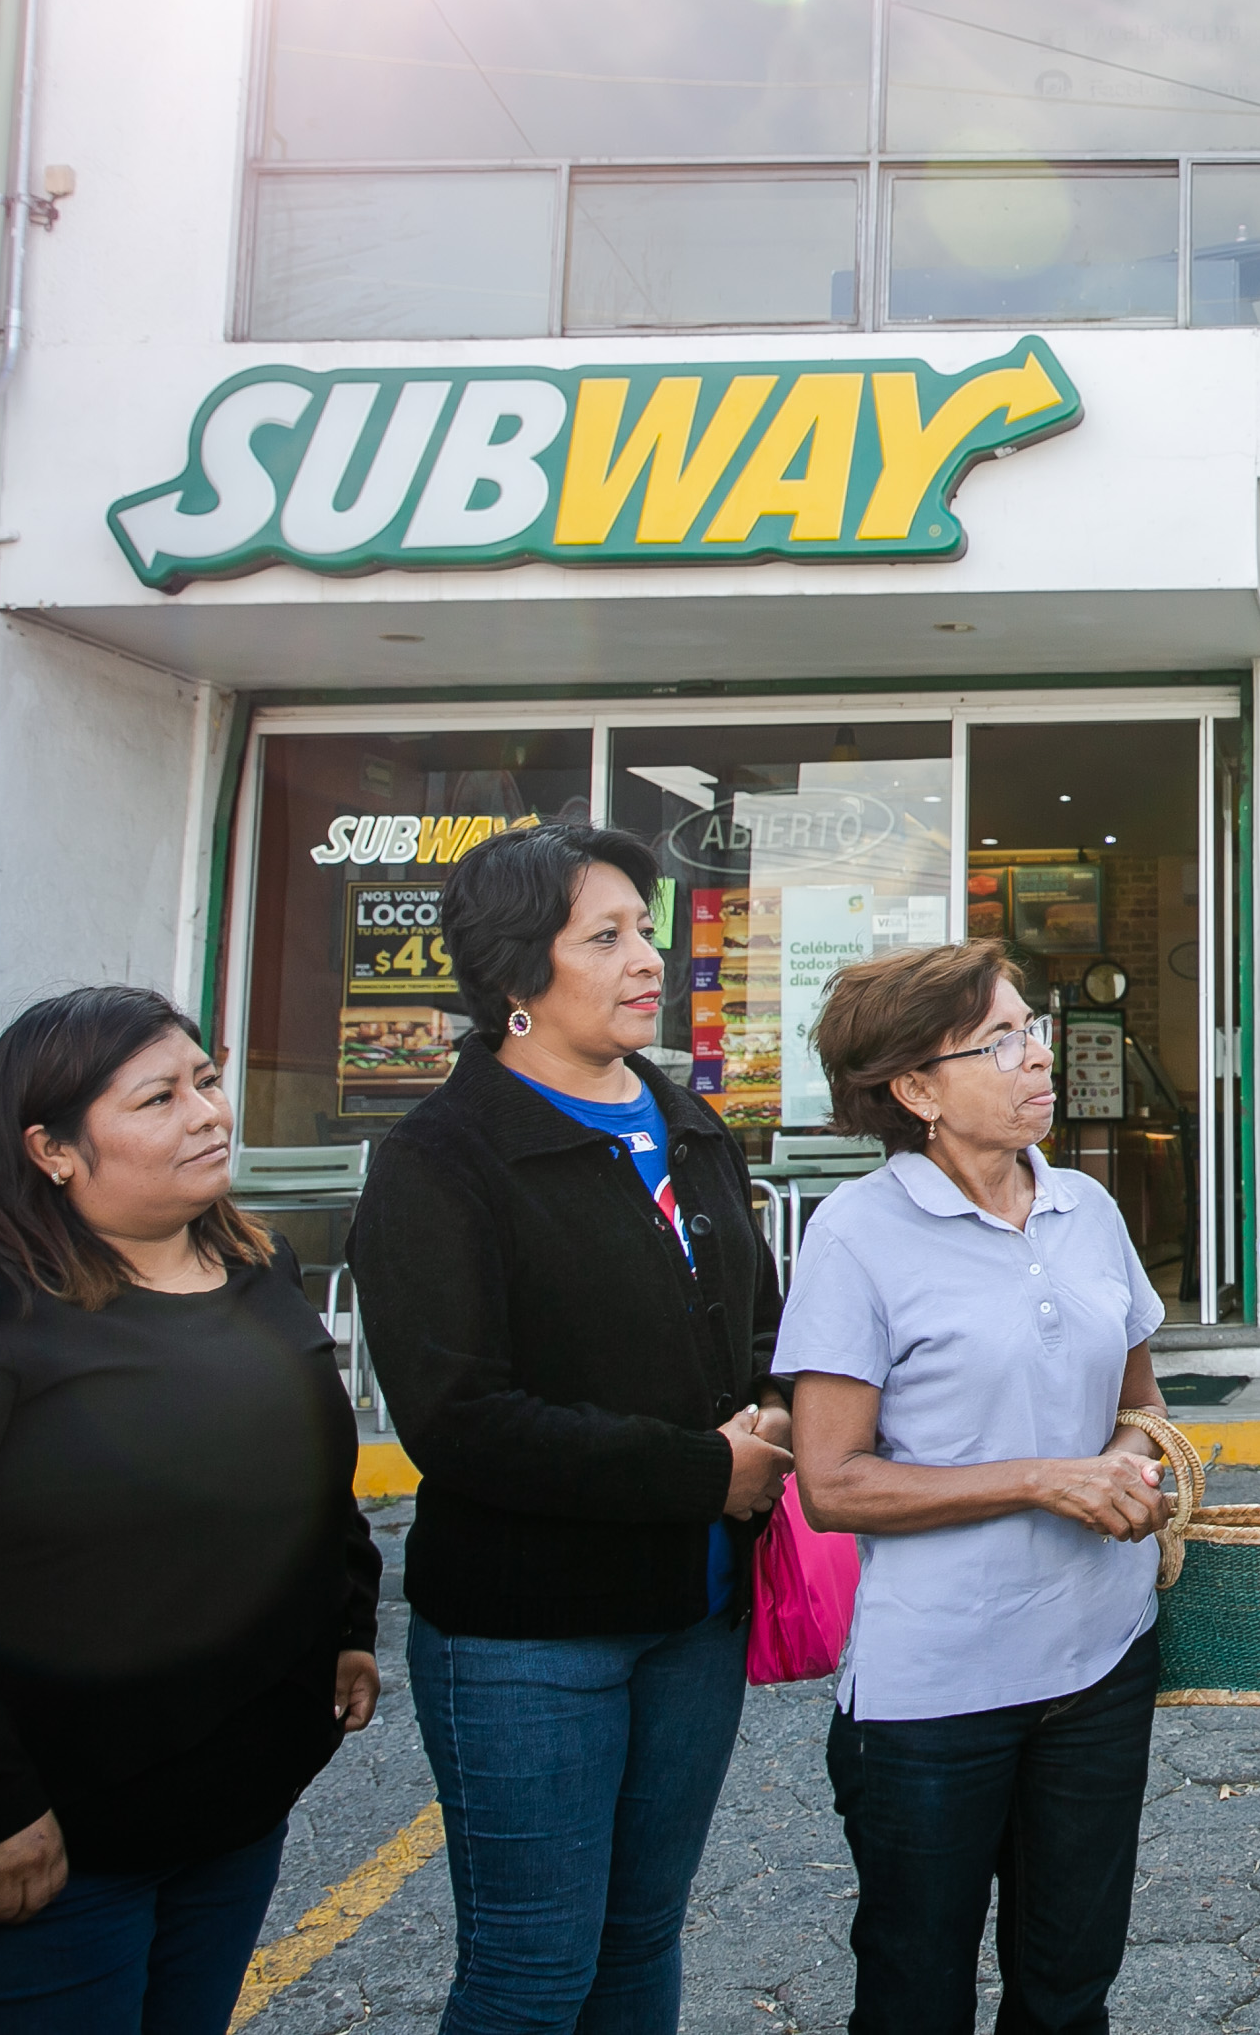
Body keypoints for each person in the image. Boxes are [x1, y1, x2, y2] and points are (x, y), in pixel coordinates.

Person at [349, 822, 792, 2035]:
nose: (651, 957)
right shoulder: (440, 1156)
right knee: (532, 1972)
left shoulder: (689, 1123)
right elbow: (462, 1418)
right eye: (607, 935)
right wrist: (708, 1468)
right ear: (511, 974)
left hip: (695, 1613)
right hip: (527, 1634)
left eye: (646, 928)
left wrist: (776, 1407)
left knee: (641, 1940)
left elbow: (758, 1326)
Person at [0, 986, 374, 2035]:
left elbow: (310, 1474)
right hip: (49, 1837)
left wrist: (348, 1622)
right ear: (52, 1148)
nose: (208, 1111)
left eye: (204, 1079)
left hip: (233, 1812)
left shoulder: (256, 1266)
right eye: (159, 1096)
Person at [780, 942, 1171, 2035]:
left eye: (1030, 1026)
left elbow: (1139, 1404)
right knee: (915, 1989)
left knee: (1068, 1986)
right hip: (934, 1690)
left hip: (1098, 1663)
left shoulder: (1086, 1207)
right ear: (914, 1089)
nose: (1036, 1055)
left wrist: (1146, 1466)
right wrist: (1043, 1478)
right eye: (999, 1042)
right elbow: (832, 1481)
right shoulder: (856, 1233)